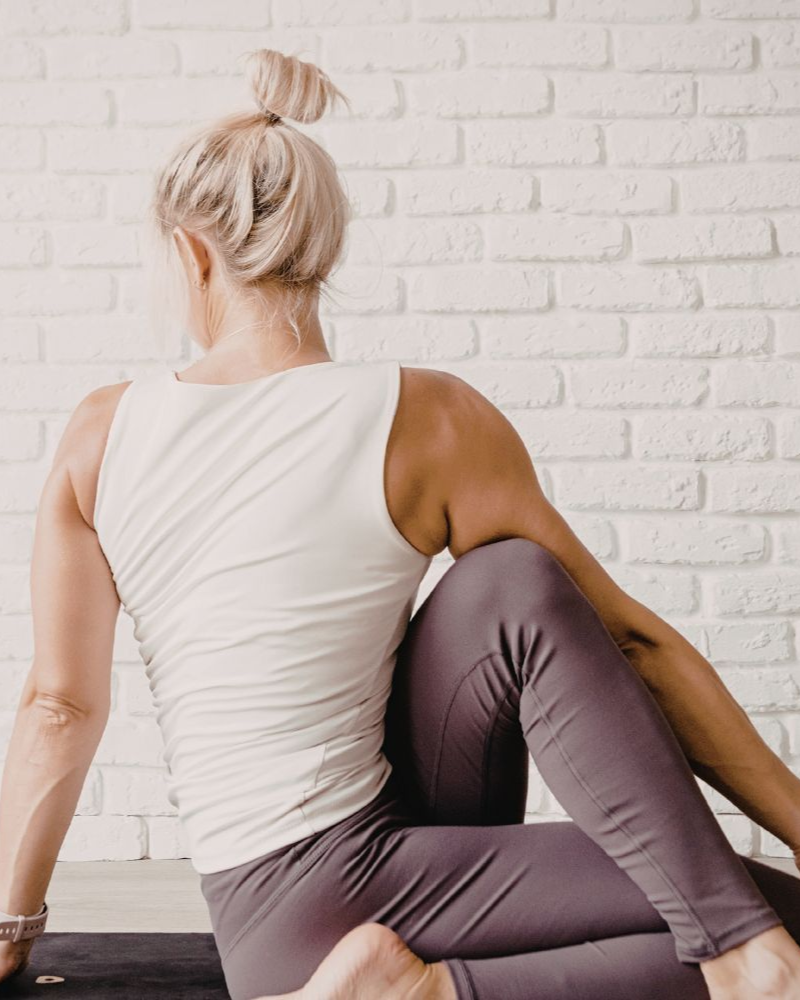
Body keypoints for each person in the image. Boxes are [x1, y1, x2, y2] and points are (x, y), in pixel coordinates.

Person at [1, 46, 800, 1000]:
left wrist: (10, 921)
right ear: (325, 249)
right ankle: (437, 993)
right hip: (329, 897)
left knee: (509, 585)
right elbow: (634, 641)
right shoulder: (430, 417)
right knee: (769, 920)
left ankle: (705, 949)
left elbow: (61, 705)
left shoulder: (100, 433)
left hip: (271, 912)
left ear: (191, 251)